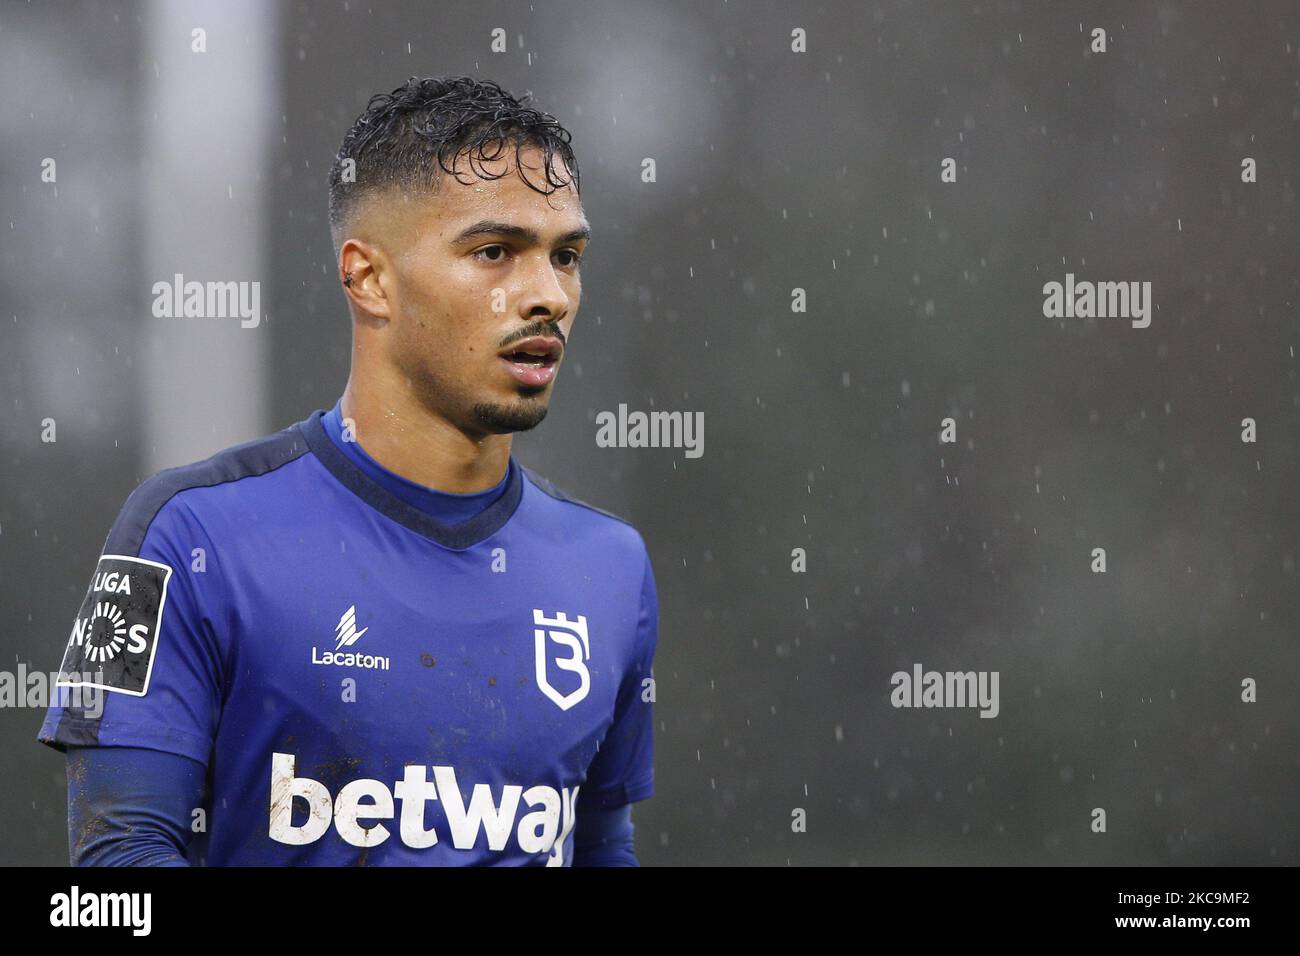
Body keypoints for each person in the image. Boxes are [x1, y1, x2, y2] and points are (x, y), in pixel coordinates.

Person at [37, 75, 658, 866]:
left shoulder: (611, 569)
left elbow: (605, 847)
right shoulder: (179, 537)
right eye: (495, 251)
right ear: (368, 278)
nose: (546, 295)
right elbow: (111, 878)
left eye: (565, 256)